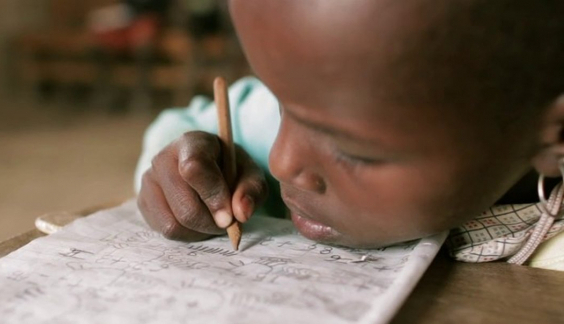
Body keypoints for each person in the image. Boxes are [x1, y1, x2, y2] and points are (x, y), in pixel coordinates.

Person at [134, 0, 564, 269]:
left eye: (352, 151)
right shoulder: (318, 108)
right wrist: (183, 175)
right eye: (279, 98)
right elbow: (181, 127)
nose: (282, 160)